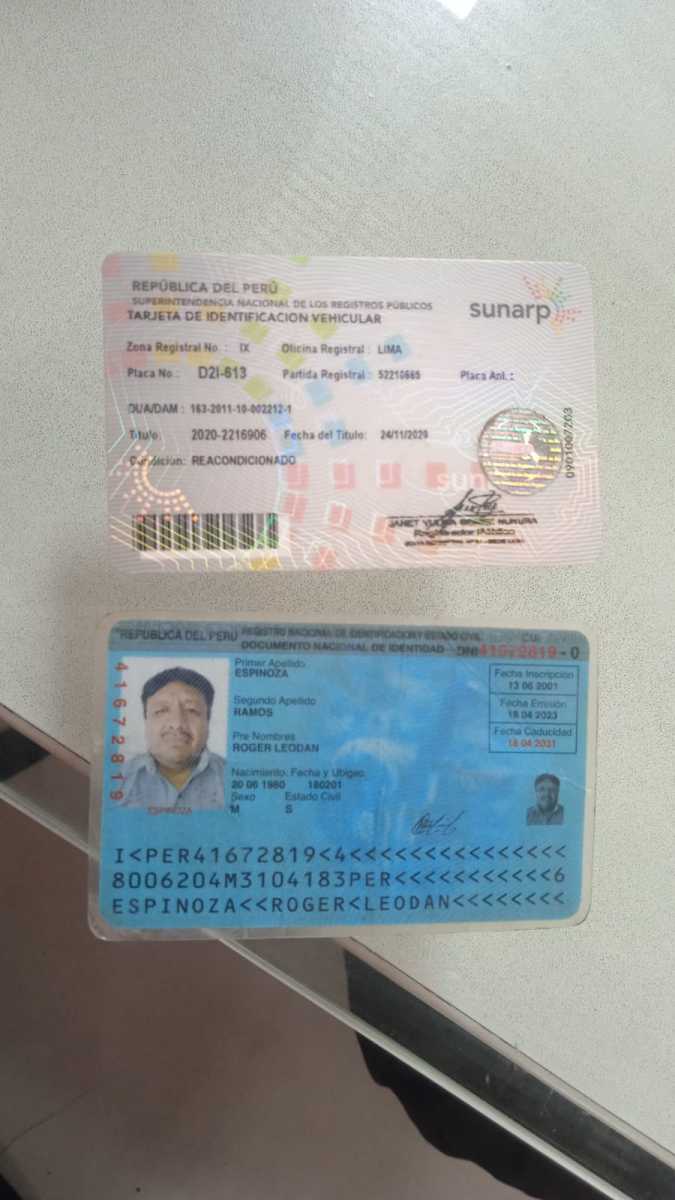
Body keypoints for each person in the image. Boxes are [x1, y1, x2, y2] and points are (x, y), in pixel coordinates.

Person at [120, 667, 225, 809]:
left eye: (191, 710)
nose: (177, 723)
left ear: (208, 720)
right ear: (146, 720)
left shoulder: (234, 780)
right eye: (162, 710)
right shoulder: (117, 780)